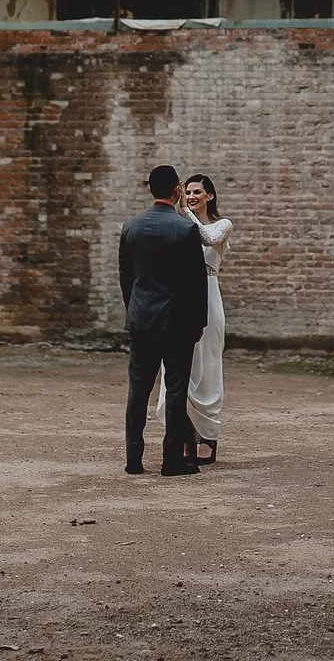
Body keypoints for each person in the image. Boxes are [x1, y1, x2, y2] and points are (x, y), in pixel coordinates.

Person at [118, 164, 208, 477]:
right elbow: (197, 284)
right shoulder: (185, 230)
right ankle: (171, 460)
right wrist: (199, 323)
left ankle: (133, 458)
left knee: (138, 391)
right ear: (178, 190)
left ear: (150, 189)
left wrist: (135, 309)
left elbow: (126, 277)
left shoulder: (132, 226)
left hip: (141, 319)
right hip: (177, 322)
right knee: (175, 389)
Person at [156, 173, 233, 465]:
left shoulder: (222, 225)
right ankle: (185, 433)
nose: (191, 195)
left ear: (209, 196)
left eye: (197, 191)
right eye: (187, 191)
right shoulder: (176, 227)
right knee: (177, 369)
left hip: (209, 299)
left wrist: (185, 212)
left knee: (208, 365)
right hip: (181, 300)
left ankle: (209, 436)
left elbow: (209, 238)